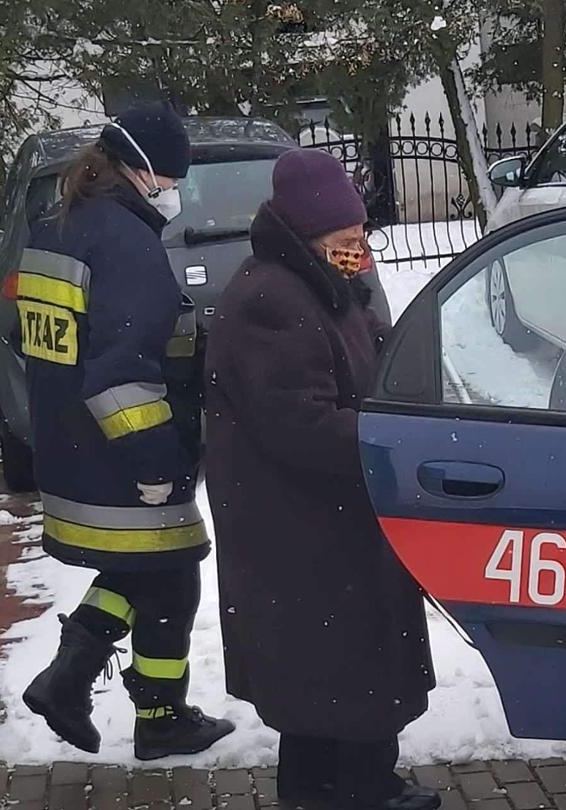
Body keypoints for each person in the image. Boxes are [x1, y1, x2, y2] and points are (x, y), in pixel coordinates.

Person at [204, 149, 438, 810]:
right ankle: (358, 792)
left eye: (362, 236)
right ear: (308, 236)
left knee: (334, 686)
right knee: (338, 681)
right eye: (345, 240)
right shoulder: (270, 302)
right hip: (302, 534)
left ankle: (346, 788)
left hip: (327, 526)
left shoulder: (320, 285)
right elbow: (300, 425)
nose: (359, 249)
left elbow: (371, 346)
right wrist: (391, 441)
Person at [17, 100, 231, 761]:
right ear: (140, 169)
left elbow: (63, 348)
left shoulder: (61, 226)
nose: (172, 192)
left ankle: (75, 683)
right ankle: (152, 715)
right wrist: (155, 461)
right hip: (120, 455)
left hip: (69, 451)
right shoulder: (124, 242)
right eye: (169, 179)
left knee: (151, 574)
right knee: (171, 574)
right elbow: (119, 374)